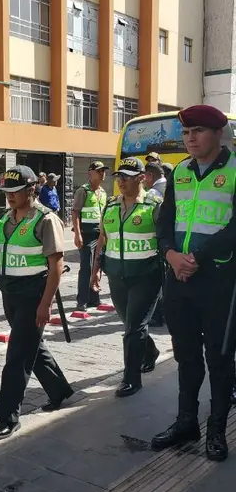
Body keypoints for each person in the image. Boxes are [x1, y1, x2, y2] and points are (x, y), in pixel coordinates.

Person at [152, 104, 236, 462]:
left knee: (219, 358)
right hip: (179, 279)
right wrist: (170, 255)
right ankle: (186, 421)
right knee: (186, 356)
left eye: (198, 131)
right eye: (186, 133)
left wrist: (197, 259)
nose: (190, 138)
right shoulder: (180, 172)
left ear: (218, 134)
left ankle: (217, 429)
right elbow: (165, 221)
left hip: (217, 279)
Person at [0, 166, 74, 440]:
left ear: (31, 190)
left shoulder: (45, 220)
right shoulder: (4, 219)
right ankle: (60, 390)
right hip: (10, 294)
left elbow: (56, 266)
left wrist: (46, 303)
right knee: (32, 347)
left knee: (16, 356)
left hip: (33, 295)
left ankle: (8, 417)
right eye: (7, 192)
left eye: (15, 192)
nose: (10, 197)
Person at [89, 157, 162, 398]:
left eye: (127, 177)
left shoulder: (154, 205)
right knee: (131, 324)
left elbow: (166, 240)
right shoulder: (110, 206)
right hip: (117, 276)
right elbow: (102, 239)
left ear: (142, 178)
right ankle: (149, 351)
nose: (121, 181)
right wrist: (95, 270)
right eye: (119, 177)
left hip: (146, 276)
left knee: (134, 327)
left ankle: (131, 379)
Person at [72, 161, 109, 310]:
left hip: (99, 235)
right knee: (86, 267)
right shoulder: (83, 191)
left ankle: (94, 299)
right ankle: (82, 301)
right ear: (90, 173)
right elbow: (75, 212)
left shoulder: (103, 192)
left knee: (97, 266)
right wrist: (77, 234)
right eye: (99, 171)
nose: (102, 174)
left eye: (103, 171)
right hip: (86, 235)